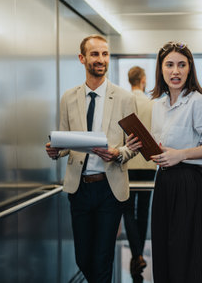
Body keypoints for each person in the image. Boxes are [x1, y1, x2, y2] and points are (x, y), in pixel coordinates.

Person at [129, 41, 202, 283]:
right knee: (164, 248)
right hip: (163, 181)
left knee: (186, 251)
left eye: (182, 65)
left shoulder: (198, 102)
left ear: (190, 69)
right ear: (160, 69)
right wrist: (145, 146)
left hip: (188, 183)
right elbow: (163, 147)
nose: (176, 71)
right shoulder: (158, 105)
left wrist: (180, 154)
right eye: (169, 65)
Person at [45, 34, 138, 283]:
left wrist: (119, 153)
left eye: (105, 54)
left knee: (102, 259)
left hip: (110, 188)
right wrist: (56, 150)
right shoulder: (69, 97)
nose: (101, 59)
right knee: (83, 258)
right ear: (82, 58)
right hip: (79, 189)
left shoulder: (124, 98)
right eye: (95, 54)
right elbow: (65, 141)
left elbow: (135, 144)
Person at [123, 66, 157, 283]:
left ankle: (136, 254)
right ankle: (139, 253)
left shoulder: (124, 101)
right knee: (143, 209)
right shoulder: (153, 104)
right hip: (148, 163)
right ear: (143, 80)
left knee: (127, 209)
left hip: (127, 162)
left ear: (130, 81)